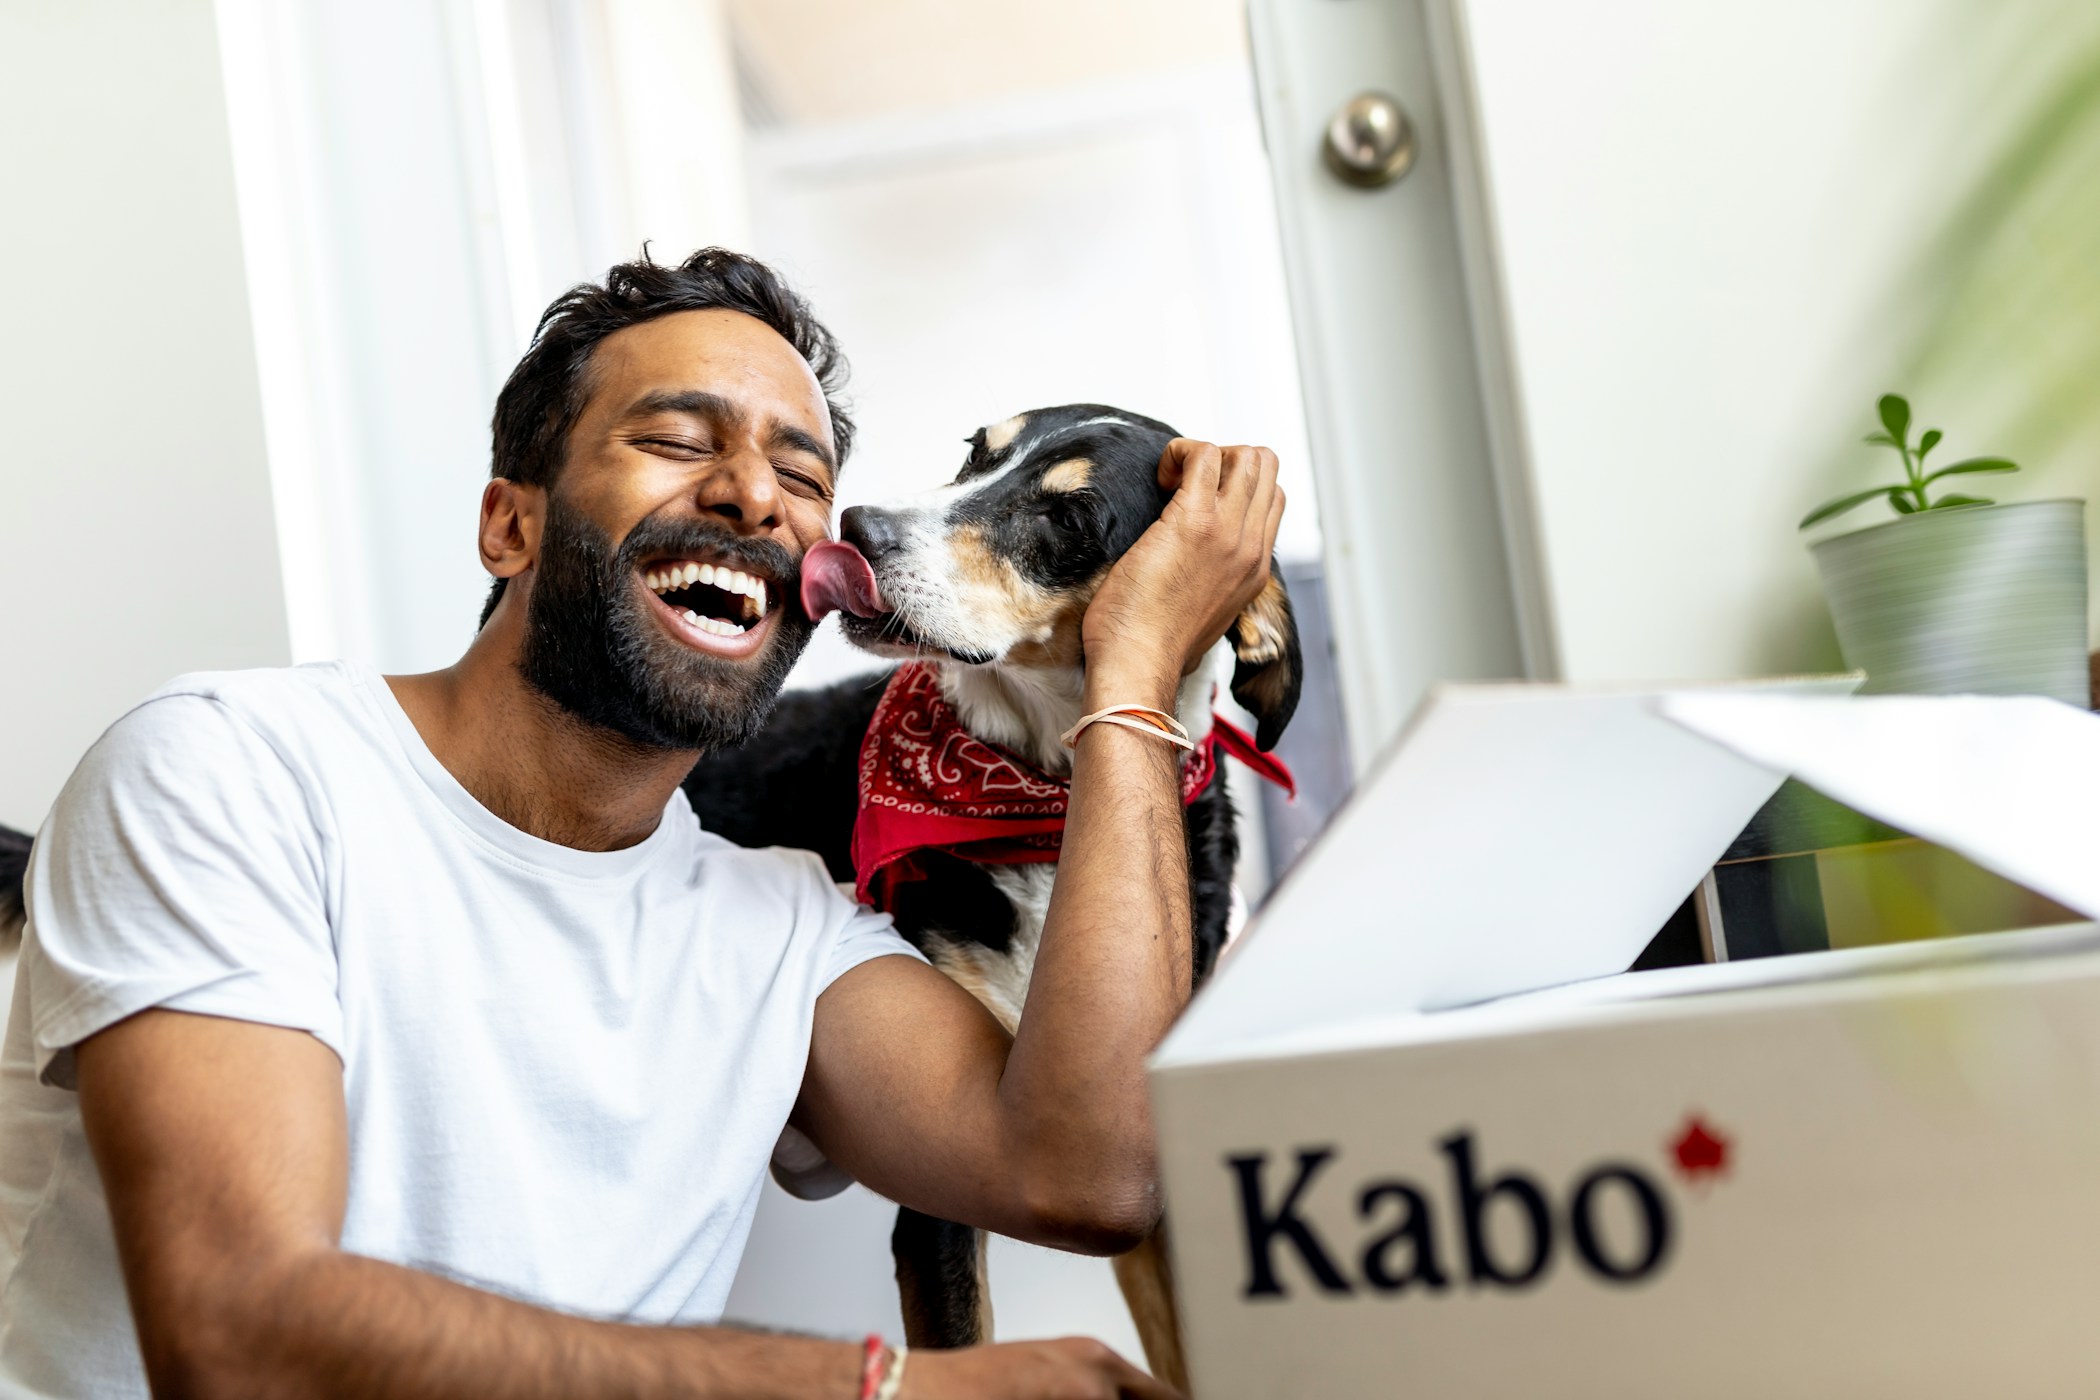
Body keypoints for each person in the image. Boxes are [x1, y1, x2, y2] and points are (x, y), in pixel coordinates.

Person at [0, 247, 1285, 1398]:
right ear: (511, 520)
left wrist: (1132, 673)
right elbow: (240, 1336)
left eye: (801, 471)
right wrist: (876, 1387)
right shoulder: (234, 770)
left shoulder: (780, 926)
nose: (754, 499)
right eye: (680, 439)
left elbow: (1091, 1175)